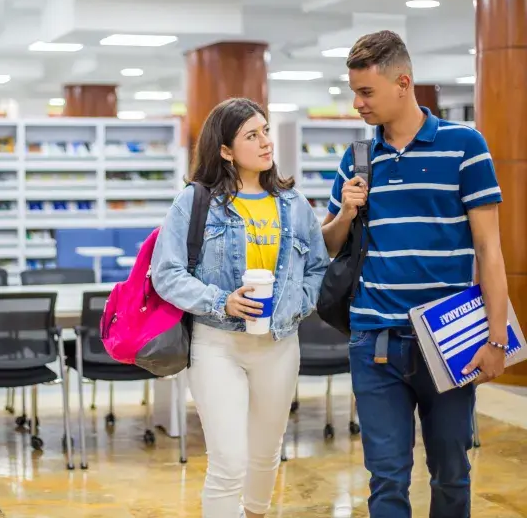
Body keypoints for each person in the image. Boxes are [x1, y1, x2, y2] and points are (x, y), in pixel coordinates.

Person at [322, 30, 509, 518]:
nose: (357, 104)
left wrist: (496, 339)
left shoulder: (464, 146)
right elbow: (330, 245)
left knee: (451, 473)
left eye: (366, 92)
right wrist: (346, 212)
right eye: (354, 92)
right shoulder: (357, 158)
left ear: (402, 83)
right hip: (374, 340)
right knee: (386, 478)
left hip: (450, 340)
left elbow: (489, 250)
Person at [151, 97, 330, 517]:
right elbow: (167, 273)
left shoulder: (294, 204)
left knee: (266, 454)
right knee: (229, 461)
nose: (266, 142)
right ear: (226, 150)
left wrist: (295, 305)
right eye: (252, 135)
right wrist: (222, 301)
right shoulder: (195, 202)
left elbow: (318, 269)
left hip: (279, 344)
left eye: (265, 131)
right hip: (217, 344)